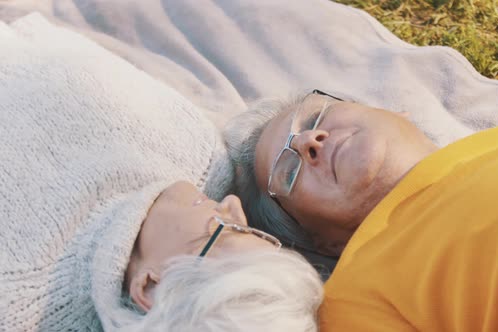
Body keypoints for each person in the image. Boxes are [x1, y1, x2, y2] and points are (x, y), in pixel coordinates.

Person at [225, 89, 498, 331]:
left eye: (313, 119)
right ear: (322, 243)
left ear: (393, 112)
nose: (307, 141)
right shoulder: (354, 297)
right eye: (289, 172)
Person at [0, 100, 323, 331]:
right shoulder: (202, 157)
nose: (233, 205)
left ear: (152, 288)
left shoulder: (18, 294)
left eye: (228, 231)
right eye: (255, 230)